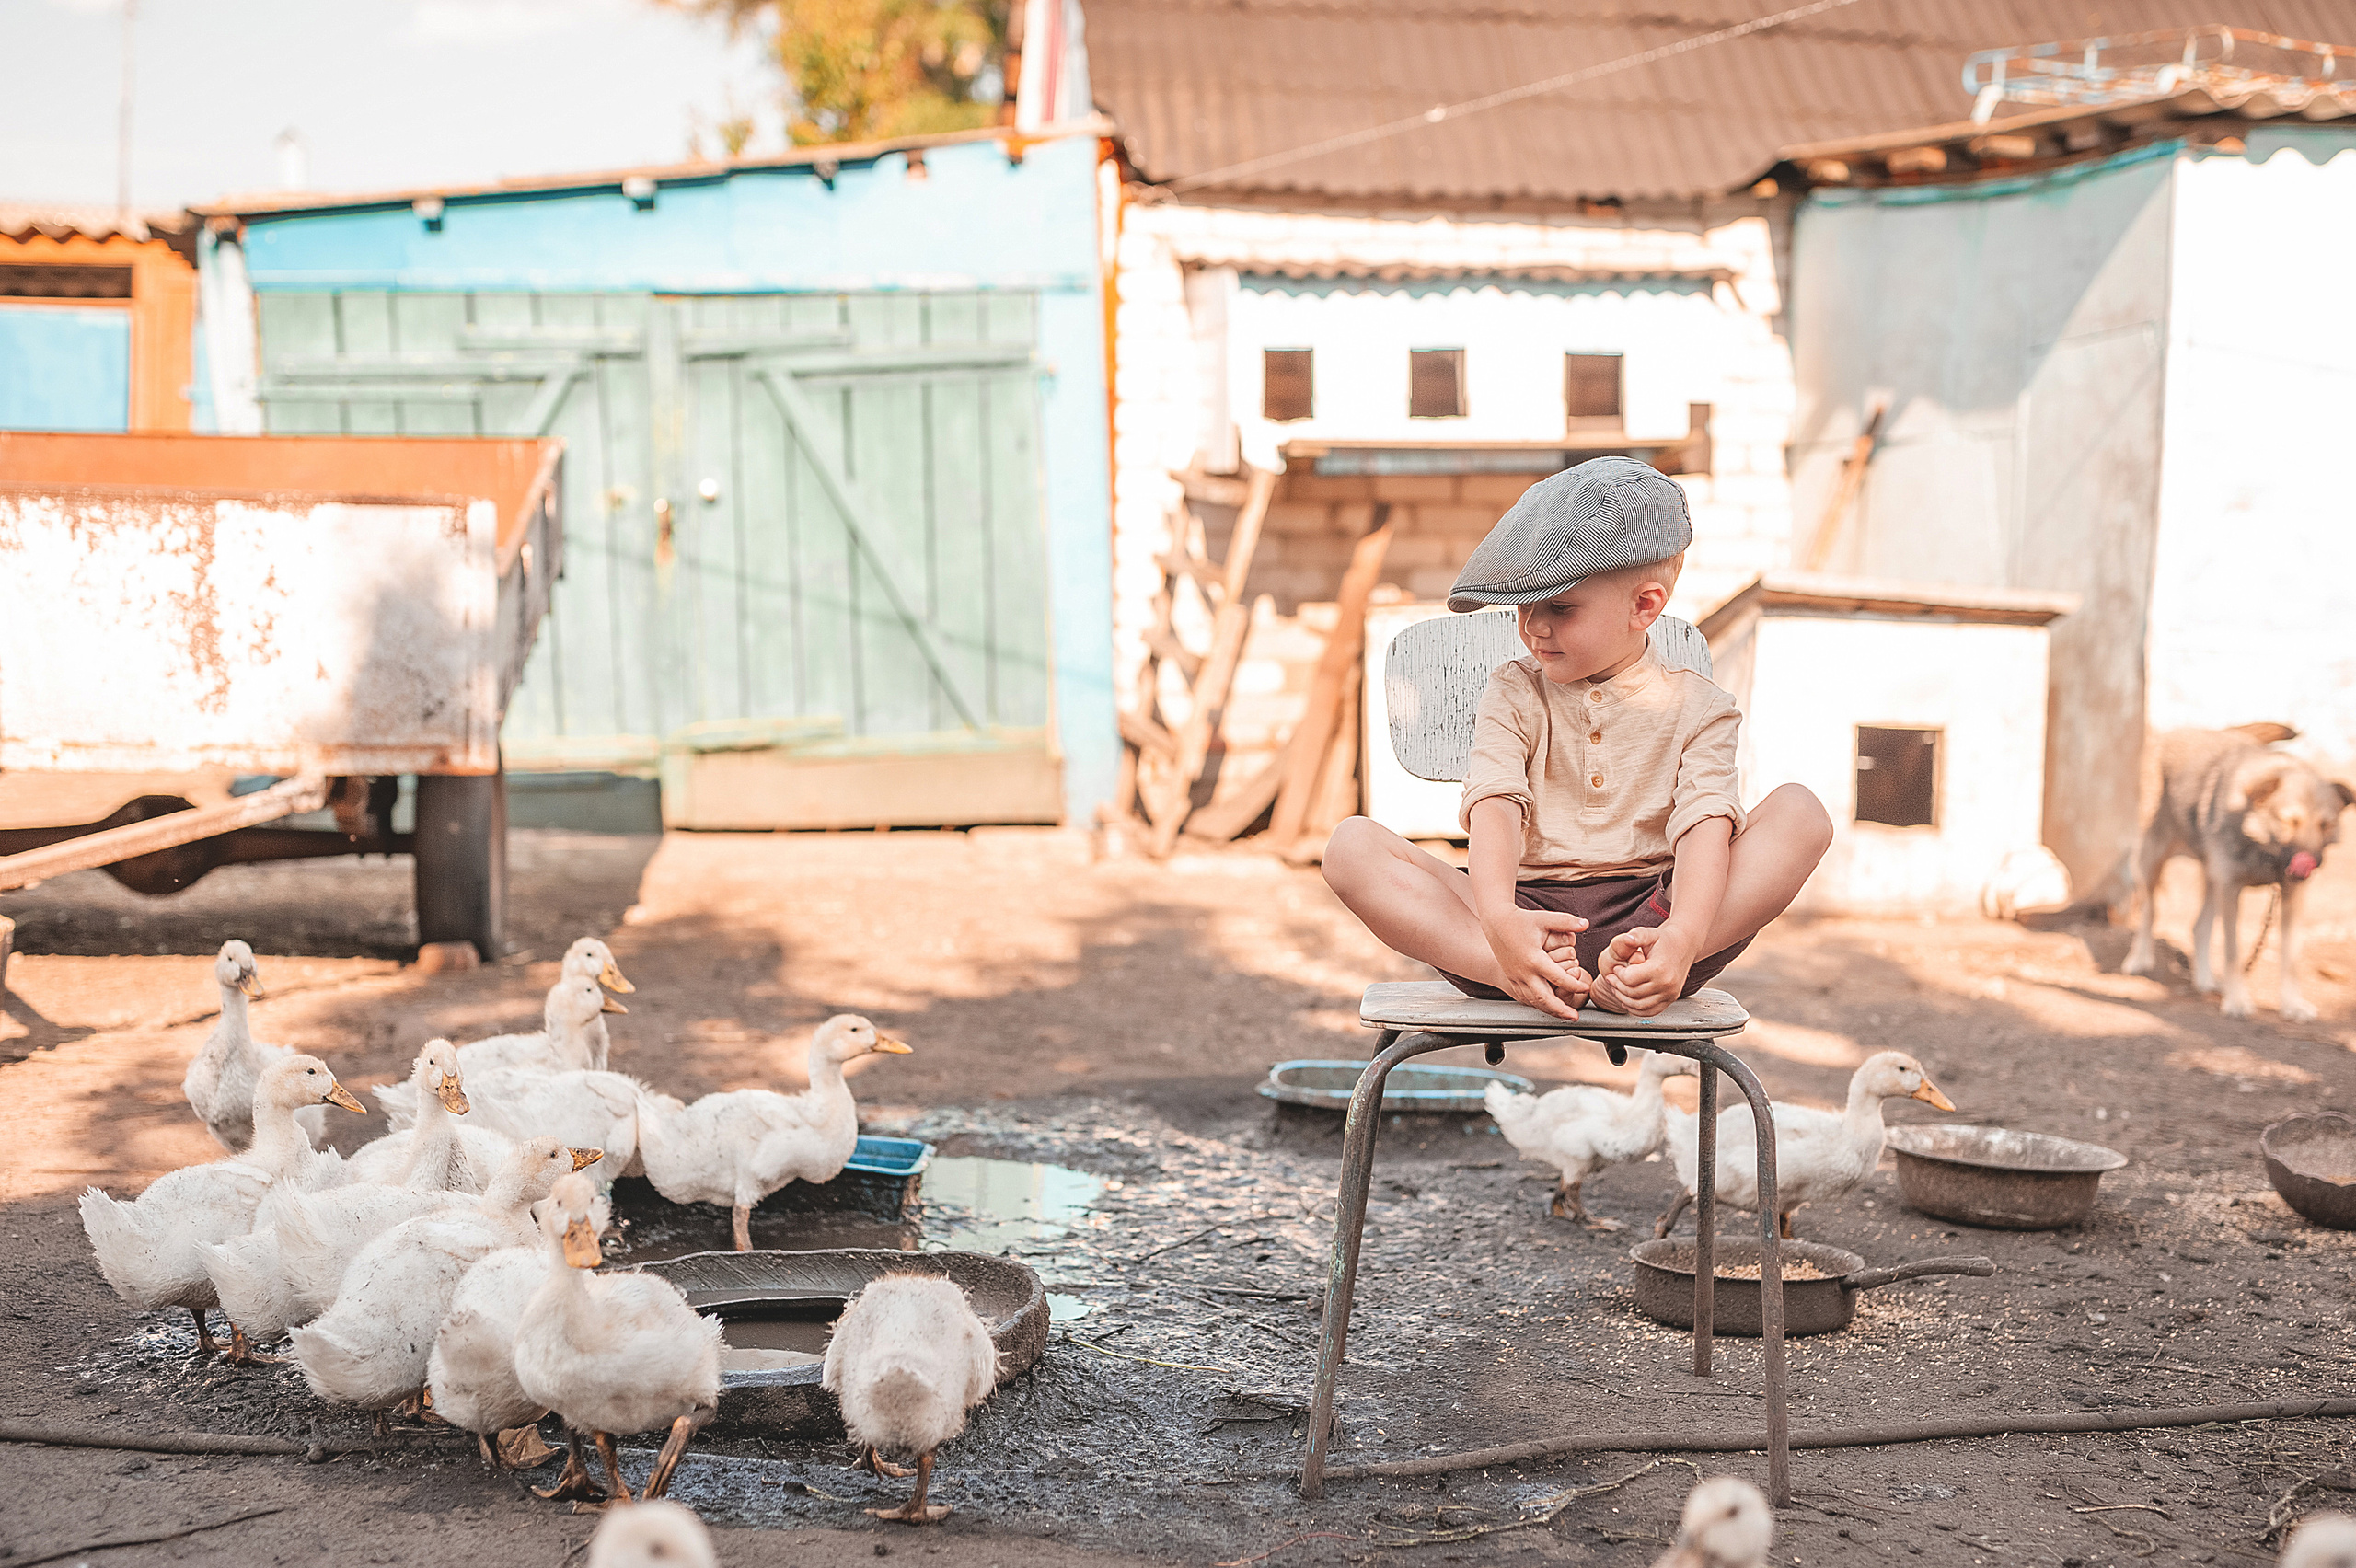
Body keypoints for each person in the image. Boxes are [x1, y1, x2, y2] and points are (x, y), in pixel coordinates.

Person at [1322, 456, 1831, 1020]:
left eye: (1560, 607)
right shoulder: (1513, 691)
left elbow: (1704, 825)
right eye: (1524, 606)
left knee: (1801, 813)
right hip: (1519, 920)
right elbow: (1495, 805)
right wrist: (1498, 924)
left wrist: (1683, 935)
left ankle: (1647, 971)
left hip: (1657, 918)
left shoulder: (1701, 706)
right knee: (1351, 848)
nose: (1533, 627)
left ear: (1645, 606)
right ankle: (1519, 976)